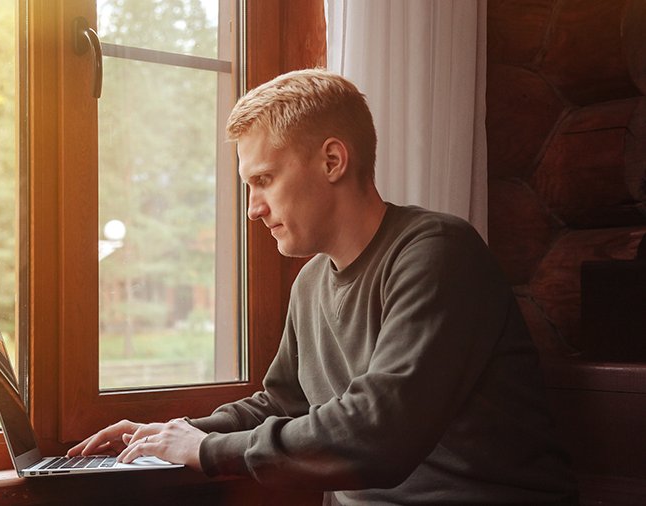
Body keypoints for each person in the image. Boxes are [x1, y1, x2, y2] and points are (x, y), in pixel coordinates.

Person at [67, 69, 577, 505]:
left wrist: (202, 451)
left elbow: (377, 434)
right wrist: (172, 435)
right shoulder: (311, 282)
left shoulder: (439, 252)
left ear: (333, 161)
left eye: (264, 179)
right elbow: (282, 404)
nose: (253, 208)